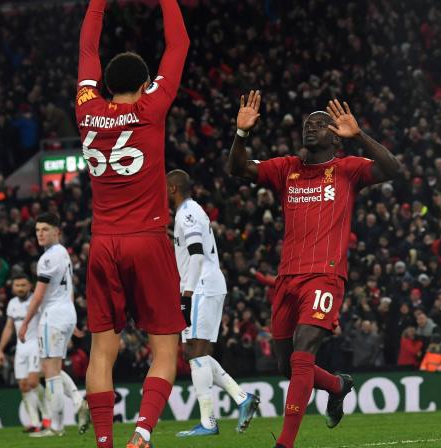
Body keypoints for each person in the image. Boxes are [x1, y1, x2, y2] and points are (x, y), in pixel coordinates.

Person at [227, 92, 400, 448]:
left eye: (320, 124)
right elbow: (237, 169)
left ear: (335, 136)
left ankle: (285, 444)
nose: (312, 127)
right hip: (286, 279)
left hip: (325, 275)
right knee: (285, 366)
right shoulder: (285, 168)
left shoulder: (349, 169)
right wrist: (241, 135)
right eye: (308, 123)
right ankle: (337, 386)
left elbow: (393, 169)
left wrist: (361, 136)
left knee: (304, 350)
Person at [75, 1, 190, 447]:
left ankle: (104, 441)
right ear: (145, 85)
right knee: (165, 348)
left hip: (102, 244)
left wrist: (98, 3)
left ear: (103, 84)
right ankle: (141, 434)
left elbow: (87, 48)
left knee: (102, 350)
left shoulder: (87, 108)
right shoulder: (151, 107)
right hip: (147, 238)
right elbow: (178, 43)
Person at [167, 170, 260, 437]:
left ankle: (208, 422)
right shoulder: (189, 212)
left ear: (173, 188)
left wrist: (186, 294)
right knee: (193, 353)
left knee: (196, 352)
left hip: (200, 287)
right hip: (204, 286)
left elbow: (196, 256)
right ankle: (242, 397)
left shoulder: (187, 213)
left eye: (165, 188)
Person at [18, 213, 86, 437]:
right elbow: (69, 289)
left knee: (51, 374)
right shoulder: (63, 253)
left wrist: (25, 323)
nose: (40, 234)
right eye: (37, 230)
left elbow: (37, 296)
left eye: (45, 229)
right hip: (66, 314)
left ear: (57, 232)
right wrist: (73, 320)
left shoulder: (47, 259)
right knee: (53, 368)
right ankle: (77, 398)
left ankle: (56, 427)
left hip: (53, 316)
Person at [0, 273, 49, 433]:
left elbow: (47, 320)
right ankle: (35, 423)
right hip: (21, 348)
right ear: (13, 288)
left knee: (33, 382)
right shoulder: (12, 304)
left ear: (30, 286)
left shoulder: (37, 301)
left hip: (36, 345)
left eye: (23, 285)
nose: (20, 288)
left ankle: (47, 418)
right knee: (24, 386)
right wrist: (0, 349)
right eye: (17, 286)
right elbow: (9, 327)